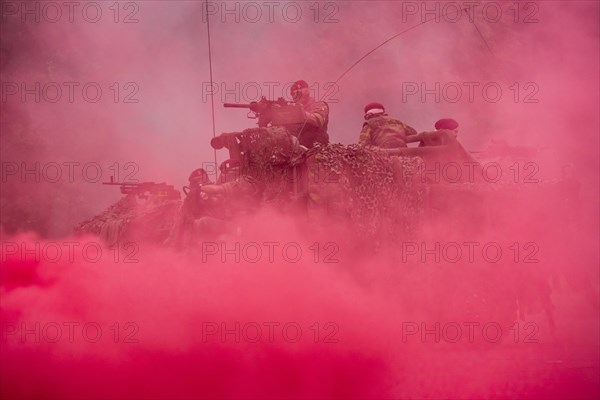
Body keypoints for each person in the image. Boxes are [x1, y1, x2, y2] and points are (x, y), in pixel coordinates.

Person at [288, 80, 329, 148]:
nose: (294, 96)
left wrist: (299, 112)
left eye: (297, 93)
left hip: (315, 144)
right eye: (292, 94)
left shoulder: (319, 105)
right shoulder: (292, 109)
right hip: (296, 145)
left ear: (306, 91)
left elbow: (318, 120)